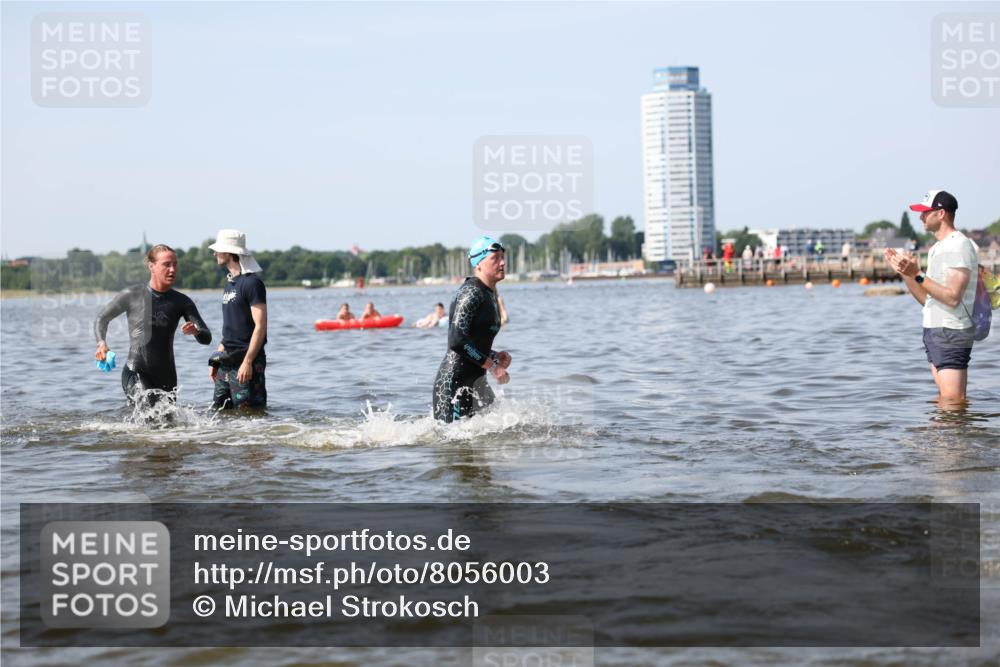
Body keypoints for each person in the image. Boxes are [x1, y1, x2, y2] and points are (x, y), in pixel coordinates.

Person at [885, 190, 978, 404]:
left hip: (951, 330)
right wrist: (906, 274)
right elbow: (927, 300)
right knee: (947, 400)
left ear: (941, 213)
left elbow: (953, 298)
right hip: (935, 329)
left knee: (953, 400)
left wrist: (917, 274)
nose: (921, 217)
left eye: (925, 212)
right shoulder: (937, 247)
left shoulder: (958, 245)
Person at [94, 244, 212, 406]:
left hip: (167, 376)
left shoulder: (182, 302)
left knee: (168, 420)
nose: (172, 269)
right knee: (146, 411)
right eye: (166, 265)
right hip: (136, 370)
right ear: (151, 266)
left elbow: (206, 337)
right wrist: (101, 343)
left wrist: (196, 331)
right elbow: (102, 319)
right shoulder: (132, 295)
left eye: (175, 264)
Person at [432, 236, 512, 423]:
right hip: (453, 386)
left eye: (502, 257)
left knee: (504, 428)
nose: (502, 262)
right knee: (450, 438)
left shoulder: (489, 293)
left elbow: (472, 342)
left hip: (476, 383)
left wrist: (494, 356)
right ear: (479, 265)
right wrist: (492, 367)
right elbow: (457, 341)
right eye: (495, 258)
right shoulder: (471, 292)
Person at [208, 229, 268, 411]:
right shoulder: (229, 284)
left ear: (229, 252)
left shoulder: (252, 283)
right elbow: (231, 328)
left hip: (246, 361)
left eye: (218, 250)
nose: (214, 254)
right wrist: (216, 359)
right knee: (219, 413)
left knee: (251, 415)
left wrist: (248, 362)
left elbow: (260, 326)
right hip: (226, 361)